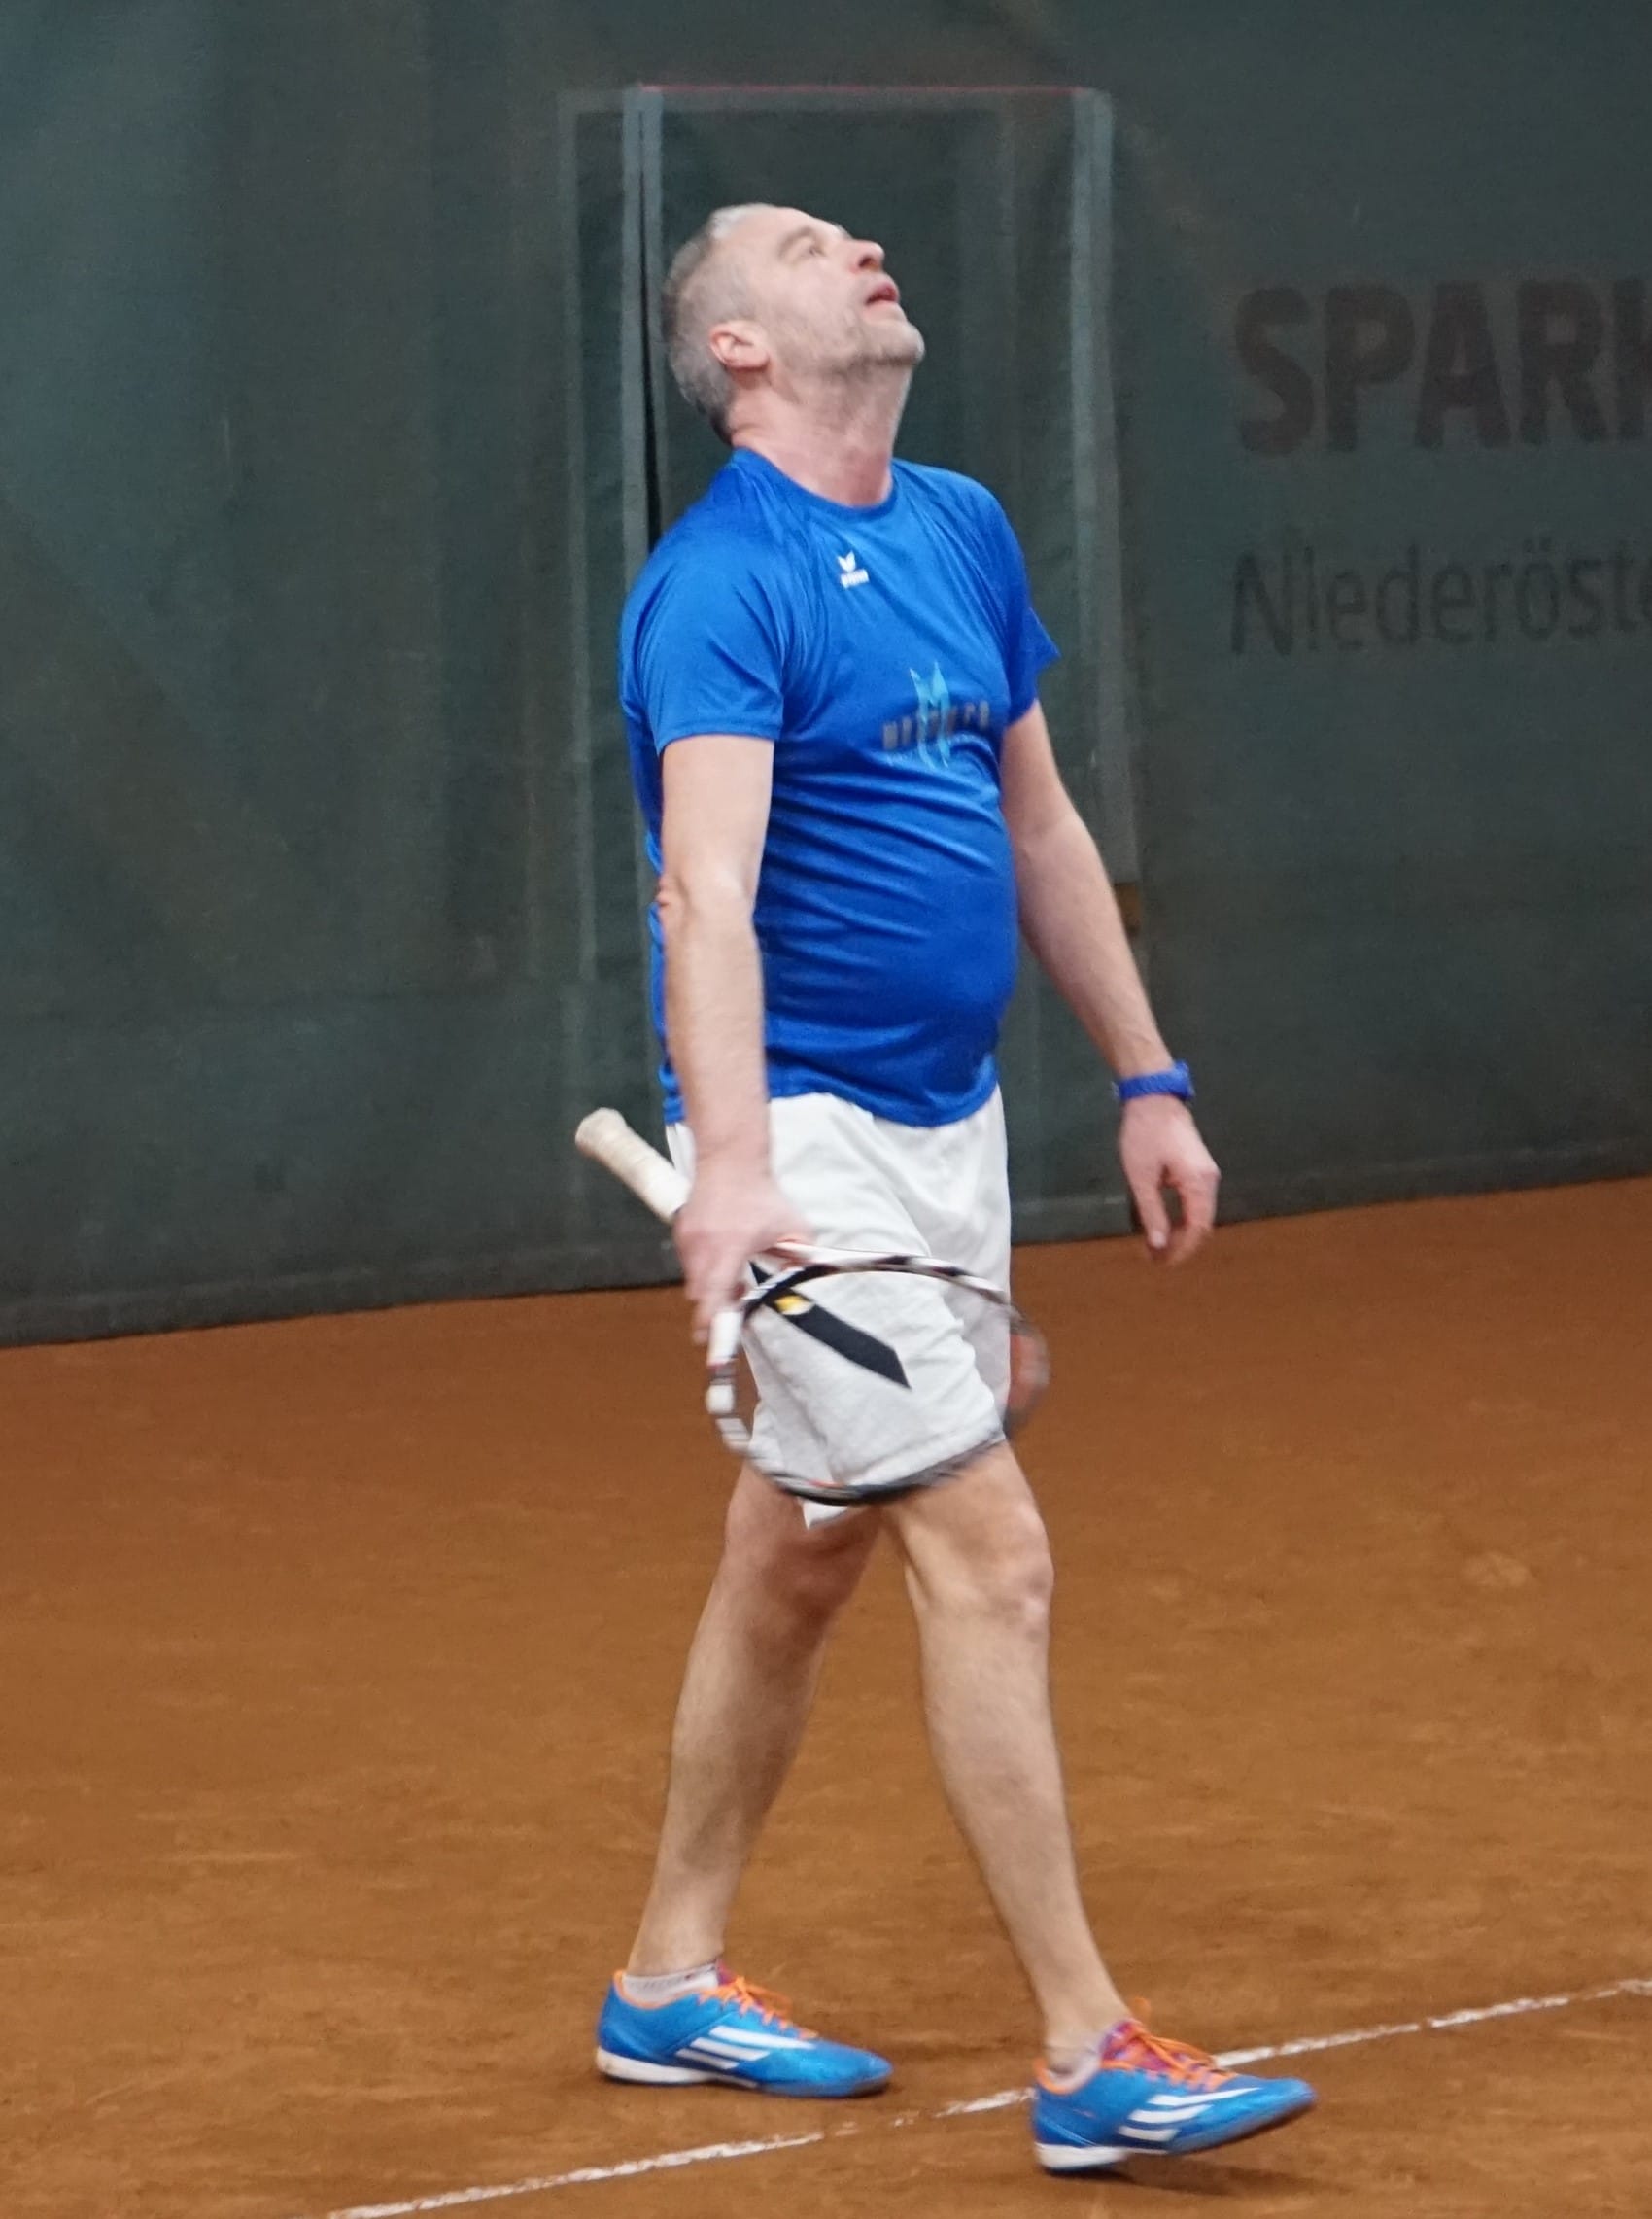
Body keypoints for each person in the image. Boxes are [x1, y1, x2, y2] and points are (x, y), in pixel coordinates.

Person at [595, 201, 1315, 2175]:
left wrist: (1147, 1077)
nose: (863, 246)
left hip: (950, 1128)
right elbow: (706, 894)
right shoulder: (716, 586)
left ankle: (664, 1978)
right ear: (738, 349)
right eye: (806, 244)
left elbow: (1039, 819)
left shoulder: (961, 526)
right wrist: (738, 1169)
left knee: (799, 1549)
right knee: (990, 1553)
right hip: (806, 1147)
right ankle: (1090, 2049)